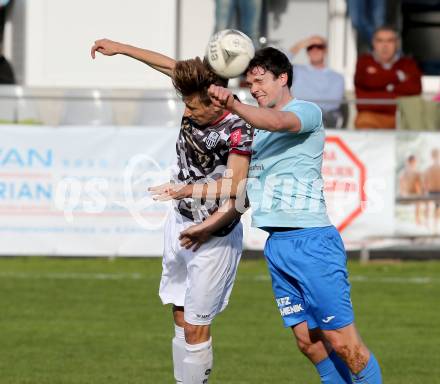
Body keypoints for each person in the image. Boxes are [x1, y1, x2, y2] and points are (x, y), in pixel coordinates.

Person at [204, 47, 383, 383]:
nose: (254, 88)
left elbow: (278, 121)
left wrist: (233, 104)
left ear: (282, 78)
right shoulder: (253, 127)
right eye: (249, 83)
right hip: (278, 246)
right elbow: (237, 185)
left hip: (311, 242)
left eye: (260, 81)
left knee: (344, 344)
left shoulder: (305, 111)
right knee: (309, 343)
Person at [91, 38, 253, 384]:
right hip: (180, 222)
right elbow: (167, 64)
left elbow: (237, 185)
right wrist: (120, 48)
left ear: (215, 103)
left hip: (214, 234)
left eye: (193, 109)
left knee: (196, 326)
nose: (187, 113)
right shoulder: (197, 92)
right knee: (180, 315)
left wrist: (187, 190)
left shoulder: (238, 125)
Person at [354, 26, 422, 129]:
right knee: (364, 124)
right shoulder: (364, 62)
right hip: (370, 116)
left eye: (390, 41)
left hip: (403, 117)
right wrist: (398, 76)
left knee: (417, 127)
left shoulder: (408, 64)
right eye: (380, 41)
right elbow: (366, 87)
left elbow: (415, 88)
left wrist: (382, 85)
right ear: (373, 43)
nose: (385, 45)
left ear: (397, 44)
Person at [289, 35, 345, 128]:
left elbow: (333, 104)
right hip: (298, 116)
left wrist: (306, 103)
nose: (315, 50)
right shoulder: (297, 70)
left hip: (323, 118)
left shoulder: (337, 77)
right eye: (310, 47)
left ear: (325, 50)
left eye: (319, 47)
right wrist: (300, 45)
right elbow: (277, 62)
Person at [399, 155, 424, 225]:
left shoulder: (403, 172)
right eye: (415, 161)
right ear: (413, 162)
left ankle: (417, 220)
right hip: (412, 195)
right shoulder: (416, 172)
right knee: (419, 198)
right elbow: (419, 186)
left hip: (406, 194)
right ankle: (418, 220)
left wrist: (402, 193)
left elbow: (401, 185)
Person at [424, 148, 440, 233]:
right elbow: (425, 183)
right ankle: (434, 227)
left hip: (431, 192)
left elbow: (425, 183)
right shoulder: (428, 169)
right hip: (436, 192)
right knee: (436, 210)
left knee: (433, 209)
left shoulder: (428, 169)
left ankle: (431, 227)